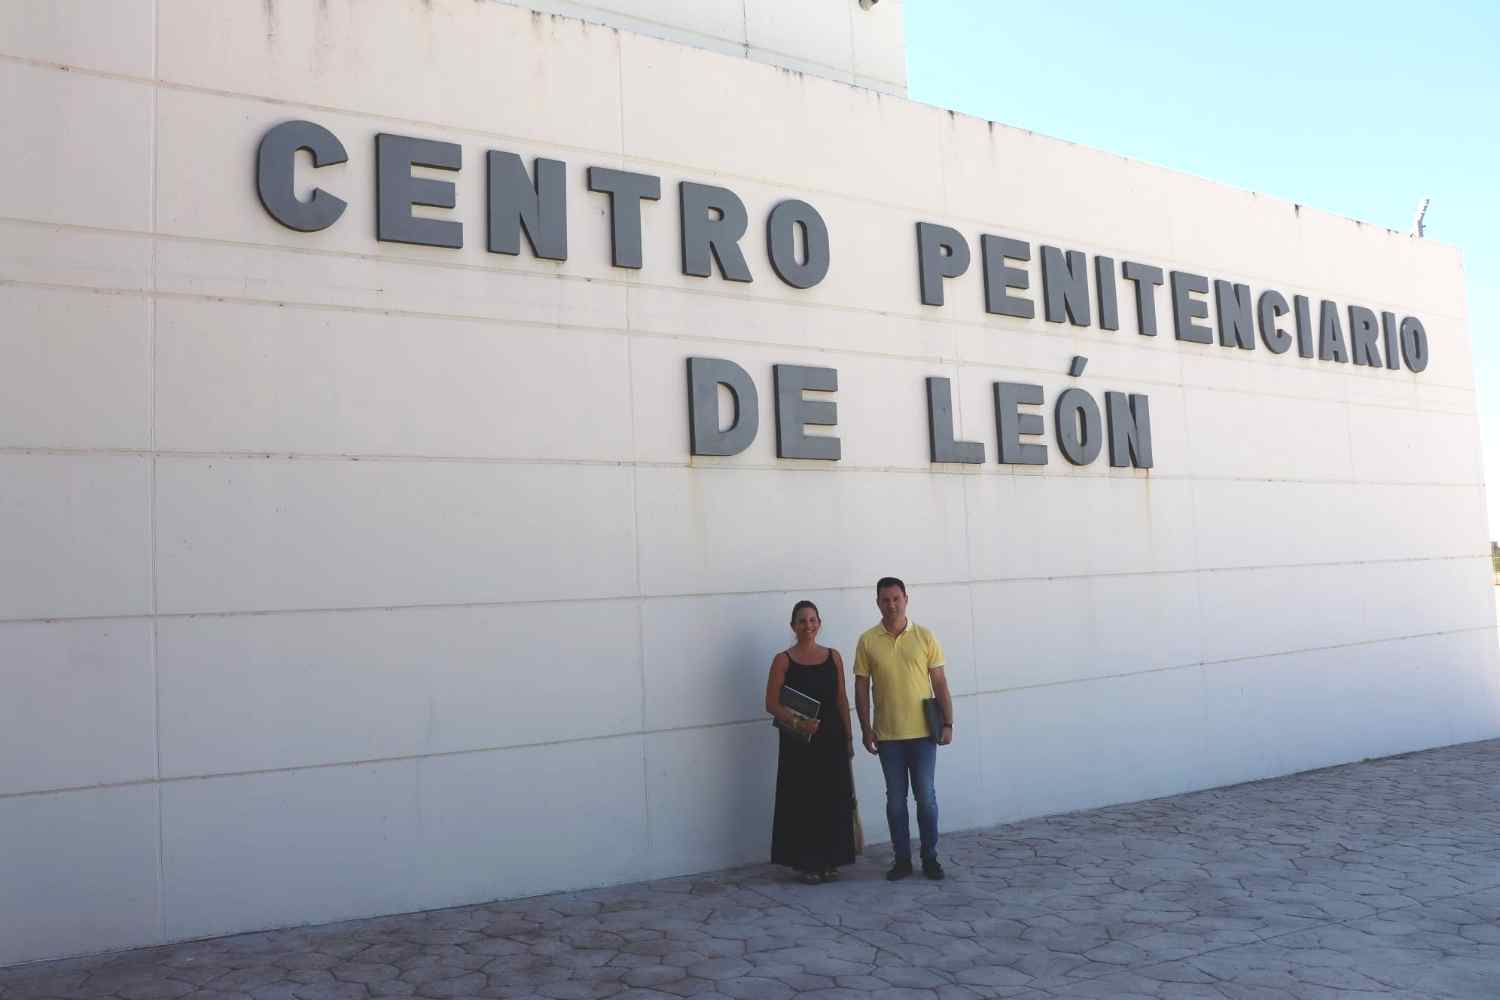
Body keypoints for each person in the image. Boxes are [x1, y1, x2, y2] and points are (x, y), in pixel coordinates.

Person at [853, 577, 954, 881]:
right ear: (878, 602)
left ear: (906, 599)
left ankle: (930, 857)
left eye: (896, 598)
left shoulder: (924, 636)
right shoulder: (867, 640)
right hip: (888, 737)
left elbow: (939, 682)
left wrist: (948, 722)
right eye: (885, 599)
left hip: (924, 735)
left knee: (926, 798)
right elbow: (860, 687)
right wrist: (865, 728)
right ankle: (901, 860)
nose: (891, 604)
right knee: (895, 801)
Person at [766, 599, 856, 884]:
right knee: (802, 800)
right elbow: (771, 703)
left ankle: (831, 860)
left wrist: (849, 737)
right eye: (802, 621)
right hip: (798, 742)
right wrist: (798, 723)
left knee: (832, 798)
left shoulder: (834, 656)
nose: (808, 626)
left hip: (831, 738)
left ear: (820, 623)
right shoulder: (782, 660)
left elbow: (841, 698)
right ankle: (807, 863)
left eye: (813, 620)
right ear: (793, 626)